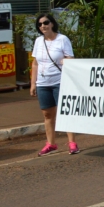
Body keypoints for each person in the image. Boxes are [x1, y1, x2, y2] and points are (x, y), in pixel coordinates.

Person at [31, 13, 78, 156]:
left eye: (45, 23)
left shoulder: (62, 39)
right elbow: (35, 63)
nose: (43, 26)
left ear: (52, 23)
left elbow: (70, 58)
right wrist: (33, 83)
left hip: (60, 80)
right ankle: (51, 144)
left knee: (65, 112)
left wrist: (66, 61)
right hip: (43, 82)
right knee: (47, 114)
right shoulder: (39, 41)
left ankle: (72, 142)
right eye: (40, 24)